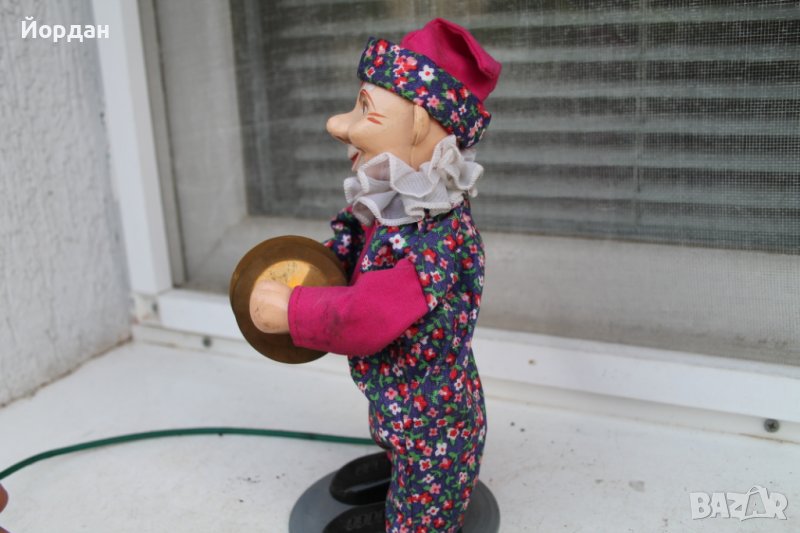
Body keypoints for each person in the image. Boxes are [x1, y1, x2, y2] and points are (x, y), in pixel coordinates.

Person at [249, 18, 501, 533]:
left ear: (419, 127)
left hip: (435, 422)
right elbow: (358, 244)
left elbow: (366, 318)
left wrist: (294, 311)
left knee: (424, 505)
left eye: (365, 111)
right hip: (401, 397)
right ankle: (397, 467)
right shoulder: (398, 208)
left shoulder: (434, 241)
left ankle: (413, 511)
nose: (338, 124)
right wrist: (314, 267)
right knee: (397, 435)